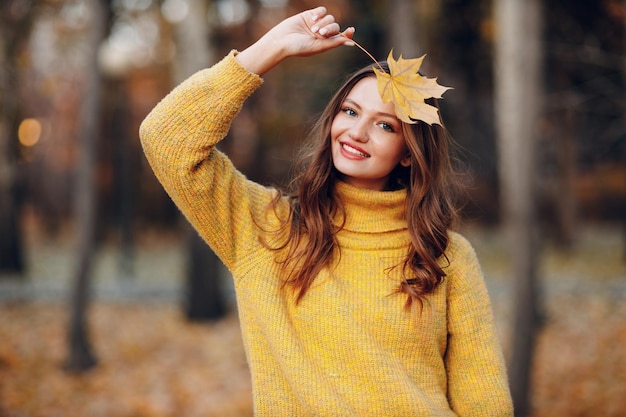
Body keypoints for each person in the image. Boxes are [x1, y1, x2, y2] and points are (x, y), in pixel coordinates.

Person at [140, 6, 513, 416]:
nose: (357, 131)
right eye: (350, 112)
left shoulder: (448, 256)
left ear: (409, 153)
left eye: (385, 125)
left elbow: (484, 400)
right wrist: (270, 49)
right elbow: (165, 138)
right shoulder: (267, 230)